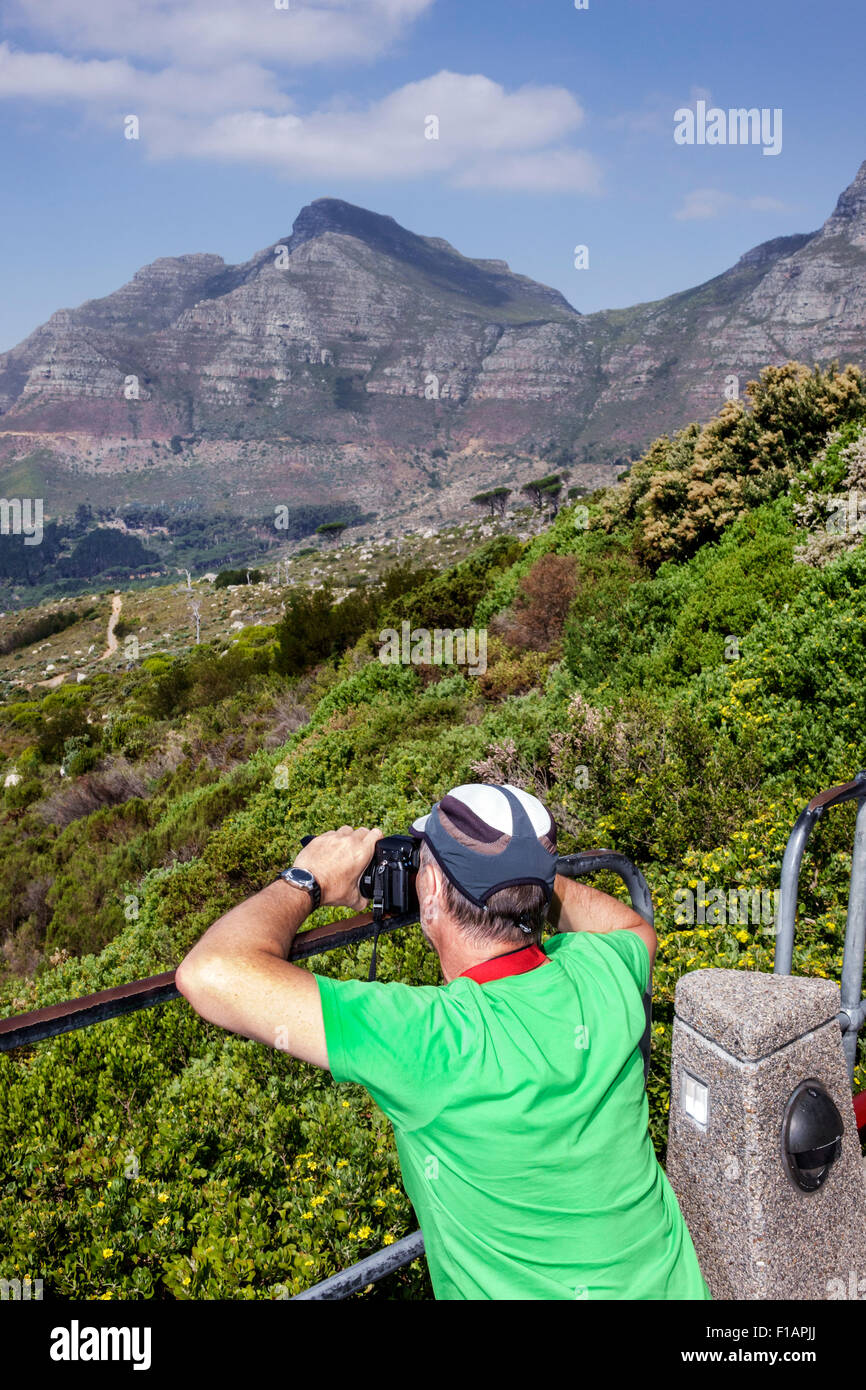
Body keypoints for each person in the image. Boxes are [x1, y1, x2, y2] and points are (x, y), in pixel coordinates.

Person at [176, 781, 711, 1300]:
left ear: (429, 889)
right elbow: (637, 929)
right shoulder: (602, 972)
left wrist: (307, 878)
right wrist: (528, 877)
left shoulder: (430, 1040)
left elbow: (210, 974)